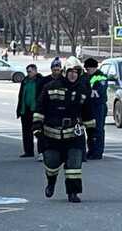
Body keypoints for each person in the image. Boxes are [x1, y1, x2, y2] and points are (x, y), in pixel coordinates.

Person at [32, 56, 95, 203]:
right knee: (51, 163)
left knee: (74, 164)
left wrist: (92, 135)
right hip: (52, 134)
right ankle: (51, 182)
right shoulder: (50, 87)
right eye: (71, 71)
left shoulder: (83, 90)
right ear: (65, 72)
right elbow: (39, 109)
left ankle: (73, 193)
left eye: (76, 72)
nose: (73, 75)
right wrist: (37, 128)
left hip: (74, 134)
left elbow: (88, 114)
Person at [16, 64, 43, 158]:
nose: (28, 73)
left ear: (35, 71)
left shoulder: (40, 81)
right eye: (27, 72)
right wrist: (19, 110)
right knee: (26, 132)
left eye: (30, 71)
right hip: (25, 110)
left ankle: (41, 152)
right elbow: (21, 96)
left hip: (36, 110)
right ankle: (28, 151)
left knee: (38, 131)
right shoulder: (25, 81)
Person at [83, 58, 107, 160]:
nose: (86, 71)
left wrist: (87, 93)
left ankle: (97, 152)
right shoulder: (87, 77)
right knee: (90, 129)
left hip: (98, 106)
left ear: (93, 68)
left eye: (88, 69)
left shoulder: (101, 77)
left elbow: (97, 93)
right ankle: (91, 150)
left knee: (98, 130)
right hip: (89, 106)